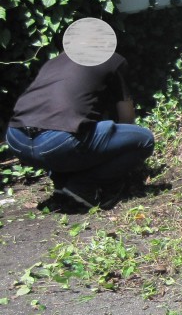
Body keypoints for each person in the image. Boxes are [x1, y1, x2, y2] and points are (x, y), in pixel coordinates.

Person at [5, 52, 154, 209]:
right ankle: (82, 185)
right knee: (144, 139)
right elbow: (127, 118)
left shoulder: (54, 62)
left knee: (73, 132)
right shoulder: (109, 59)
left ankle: (62, 181)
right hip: (56, 142)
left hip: (17, 139)